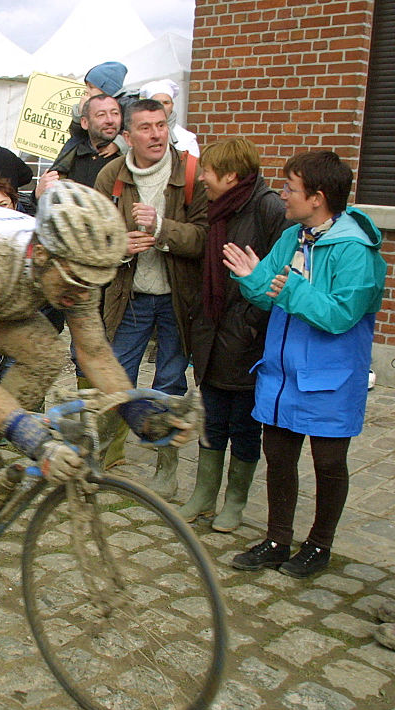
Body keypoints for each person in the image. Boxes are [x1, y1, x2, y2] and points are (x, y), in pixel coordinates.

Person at [0, 182, 196, 632]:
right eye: (74, 284)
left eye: (92, 285)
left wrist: (138, 412)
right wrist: (34, 440)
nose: (80, 295)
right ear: (44, 253)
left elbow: (95, 353)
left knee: (48, 353)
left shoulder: (73, 267)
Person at [227, 151, 385, 579]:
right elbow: (268, 292)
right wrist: (251, 278)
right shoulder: (294, 236)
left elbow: (341, 314)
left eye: (290, 189)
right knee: (278, 456)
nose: (283, 196)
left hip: (331, 379)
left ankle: (319, 545)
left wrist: (290, 288)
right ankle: (277, 540)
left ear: (316, 198)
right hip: (282, 375)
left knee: (328, 463)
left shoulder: (355, 250)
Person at [93, 98, 208, 499]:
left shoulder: (191, 172)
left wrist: (161, 229)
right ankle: (99, 461)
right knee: (114, 378)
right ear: (128, 136)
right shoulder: (111, 176)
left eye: (161, 125)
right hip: (129, 297)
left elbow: (203, 238)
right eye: (145, 128)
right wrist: (120, 247)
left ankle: (166, 469)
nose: (156, 134)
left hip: (177, 298)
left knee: (170, 382)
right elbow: (95, 237)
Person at [177, 138, 288, 531]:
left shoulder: (270, 208)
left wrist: (251, 323)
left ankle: (235, 501)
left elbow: (280, 275)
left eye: (208, 170)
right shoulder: (214, 205)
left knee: (243, 425)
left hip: (247, 337)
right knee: (213, 419)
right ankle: (204, 493)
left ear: (231, 175)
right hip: (212, 330)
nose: (201, 176)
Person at [43, 95, 123, 190]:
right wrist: (38, 194)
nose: (110, 120)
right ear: (85, 122)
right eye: (101, 115)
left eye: (115, 113)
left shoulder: (131, 158)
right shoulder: (72, 155)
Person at [140, 79, 199, 157]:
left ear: (172, 105)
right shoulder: (137, 134)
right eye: (156, 102)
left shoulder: (187, 138)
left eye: (166, 102)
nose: (161, 106)